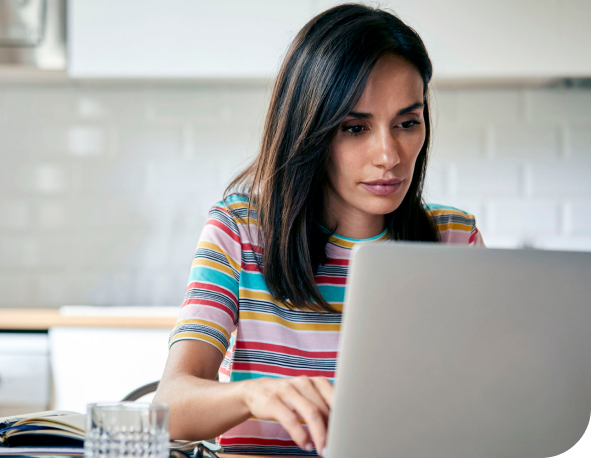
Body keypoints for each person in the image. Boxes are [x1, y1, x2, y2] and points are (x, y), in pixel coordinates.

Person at [153, 3, 485, 456]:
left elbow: (488, 401)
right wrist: (254, 395)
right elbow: (170, 403)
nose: (389, 154)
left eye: (407, 123)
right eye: (354, 128)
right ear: (310, 130)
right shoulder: (241, 230)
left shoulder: (454, 237)